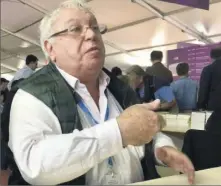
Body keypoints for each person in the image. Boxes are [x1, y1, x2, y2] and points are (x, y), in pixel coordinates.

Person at [8, 0, 194, 185]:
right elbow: (35, 165)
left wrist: (162, 148)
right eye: (75, 29)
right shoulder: (31, 95)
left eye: (95, 27)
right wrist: (118, 133)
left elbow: (141, 129)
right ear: (50, 48)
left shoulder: (119, 89)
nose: (91, 34)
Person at [198, 48, 221, 132]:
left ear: (211, 57)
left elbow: (203, 89)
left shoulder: (208, 69)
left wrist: (201, 105)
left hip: (214, 107)